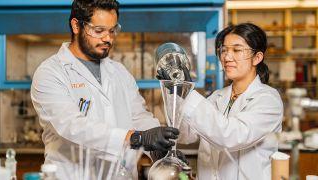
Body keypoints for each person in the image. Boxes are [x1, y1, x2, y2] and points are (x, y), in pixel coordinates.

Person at [31, 0, 180, 179]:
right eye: (98, 30)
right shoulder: (51, 72)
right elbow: (72, 126)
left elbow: (139, 117)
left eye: (112, 30)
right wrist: (136, 138)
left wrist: (160, 151)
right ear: (76, 25)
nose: (108, 38)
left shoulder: (119, 72)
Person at [157, 23, 283, 180]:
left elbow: (230, 136)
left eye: (236, 50)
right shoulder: (217, 97)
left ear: (257, 57)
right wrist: (175, 92)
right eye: (224, 50)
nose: (227, 57)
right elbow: (186, 135)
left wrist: (188, 94)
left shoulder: (268, 100)